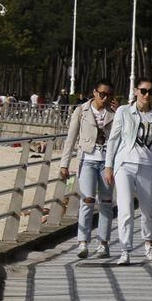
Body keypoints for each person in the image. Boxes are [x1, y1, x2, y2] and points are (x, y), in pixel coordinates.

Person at [104, 78, 152, 265]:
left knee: (148, 207)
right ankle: (125, 249)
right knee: (125, 207)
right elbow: (113, 140)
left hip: (147, 165)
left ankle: (148, 243)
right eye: (143, 91)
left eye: (151, 92)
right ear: (136, 91)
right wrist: (108, 166)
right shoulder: (124, 111)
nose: (146, 95)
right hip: (124, 165)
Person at [59, 79, 117, 259]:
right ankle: (83, 241)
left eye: (109, 95)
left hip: (107, 162)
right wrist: (64, 164)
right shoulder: (81, 110)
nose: (105, 98)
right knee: (88, 200)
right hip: (87, 160)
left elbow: (122, 137)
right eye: (102, 94)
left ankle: (103, 243)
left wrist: (120, 113)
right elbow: (70, 138)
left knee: (106, 202)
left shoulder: (114, 113)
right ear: (94, 92)